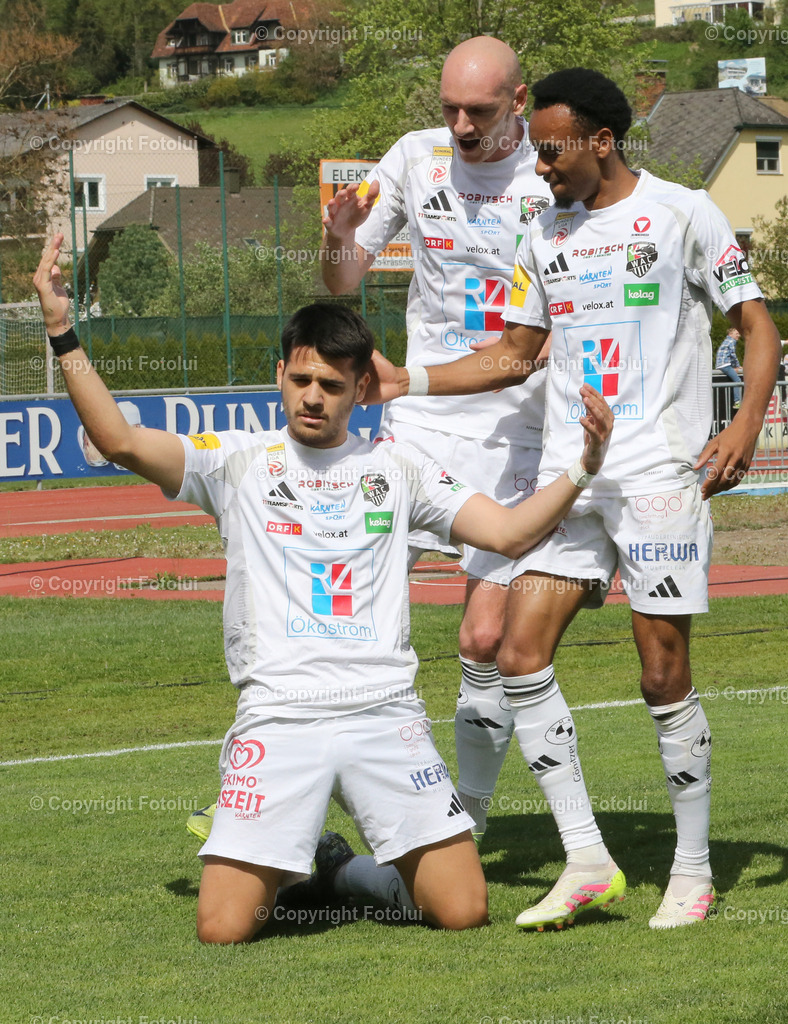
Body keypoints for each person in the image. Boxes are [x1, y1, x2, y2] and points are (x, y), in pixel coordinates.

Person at [33, 233, 613, 943]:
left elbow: (510, 534)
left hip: (383, 714)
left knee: (462, 910)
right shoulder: (236, 461)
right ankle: (293, 860)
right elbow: (120, 440)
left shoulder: (399, 468)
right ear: (280, 373)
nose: (313, 397)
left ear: (360, 391)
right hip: (280, 717)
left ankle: (337, 871)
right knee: (223, 928)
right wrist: (64, 332)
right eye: (301, 380)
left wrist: (582, 468)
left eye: (332, 386)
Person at [369, 67, 781, 931]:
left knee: (660, 674)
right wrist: (409, 378)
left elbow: (754, 324)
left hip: (658, 481)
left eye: (552, 151)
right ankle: (588, 859)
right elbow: (515, 353)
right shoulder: (542, 232)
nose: (541, 166)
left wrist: (743, 423)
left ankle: (694, 870)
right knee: (516, 655)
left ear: (599, 142)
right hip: (571, 480)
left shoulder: (679, 214)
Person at [321, 36, 555, 842]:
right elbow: (344, 279)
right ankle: (277, 787)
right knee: (338, 607)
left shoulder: (554, 173)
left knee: (484, 637)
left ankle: (469, 822)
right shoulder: (414, 158)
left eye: (479, 111)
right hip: (417, 420)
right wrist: (338, 236)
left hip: (518, 426)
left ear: (517, 103)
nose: (459, 125)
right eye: (449, 107)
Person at [715, 326, 743, 406]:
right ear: (730, 334)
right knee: (737, 380)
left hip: (721, 364)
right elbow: (733, 355)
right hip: (725, 365)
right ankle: (737, 401)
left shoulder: (726, 341)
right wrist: (737, 366)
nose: (739, 335)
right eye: (737, 333)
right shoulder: (731, 341)